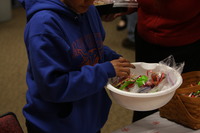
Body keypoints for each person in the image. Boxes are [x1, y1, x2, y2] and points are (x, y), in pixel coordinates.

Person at [18, 0, 135, 133]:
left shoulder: (87, 9)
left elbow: (92, 45)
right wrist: (104, 71)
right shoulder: (43, 25)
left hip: (87, 117)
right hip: (55, 125)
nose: (90, 1)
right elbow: (54, 86)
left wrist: (112, 57)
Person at [105, 0, 200, 122]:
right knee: (144, 100)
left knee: (182, 107)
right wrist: (125, 6)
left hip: (186, 45)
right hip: (146, 41)